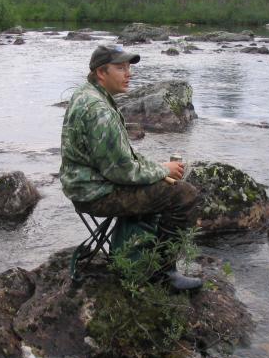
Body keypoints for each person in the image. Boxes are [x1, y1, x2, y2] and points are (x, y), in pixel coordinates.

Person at [60, 44, 202, 290]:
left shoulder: (87, 94)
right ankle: (162, 275)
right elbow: (123, 171)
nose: (129, 74)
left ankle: (132, 256)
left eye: (128, 67)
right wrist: (164, 170)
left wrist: (157, 168)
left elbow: (121, 157)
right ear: (101, 73)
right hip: (96, 194)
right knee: (185, 196)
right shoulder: (99, 111)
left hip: (85, 186)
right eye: (121, 68)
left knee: (161, 185)